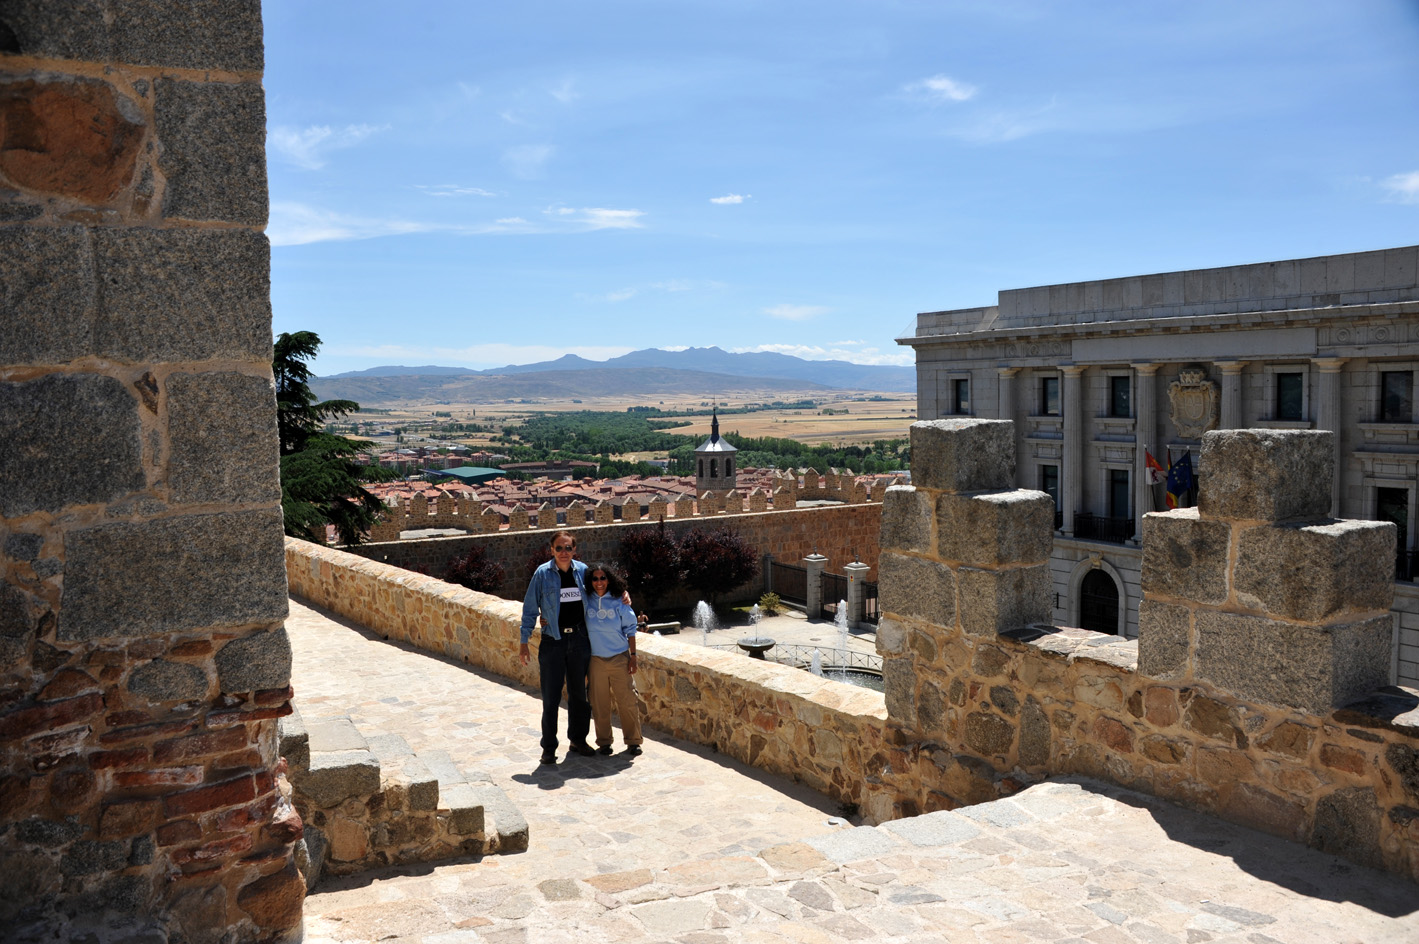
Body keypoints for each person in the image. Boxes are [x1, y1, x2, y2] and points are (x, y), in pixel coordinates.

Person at [519, 531, 631, 764]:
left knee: (579, 696)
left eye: (568, 548)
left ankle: (578, 740)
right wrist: (523, 642)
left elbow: (602, 589)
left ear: (574, 550)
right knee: (550, 698)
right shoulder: (542, 574)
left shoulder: (582, 572)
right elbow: (530, 609)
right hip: (553, 641)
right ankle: (549, 747)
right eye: (559, 548)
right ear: (551, 550)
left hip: (579, 640)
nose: (564, 552)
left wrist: (623, 594)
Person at [583, 564, 644, 756]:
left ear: (609, 579)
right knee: (599, 703)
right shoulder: (585, 600)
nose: (599, 582)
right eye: (595, 579)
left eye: (603, 578)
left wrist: (633, 656)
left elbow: (630, 630)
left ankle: (633, 741)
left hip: (619, 658)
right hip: (595, 660)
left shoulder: (619, 601)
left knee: (627, 701)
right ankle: (604, 742)